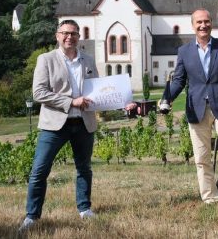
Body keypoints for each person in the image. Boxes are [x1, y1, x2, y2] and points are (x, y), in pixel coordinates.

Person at [19, 20, 135, 231]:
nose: (69, 37)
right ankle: (31, 216)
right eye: (65, 33)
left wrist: (122, 104)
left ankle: (84, 209)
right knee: (39, 171)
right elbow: (39, 93)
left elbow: (100, 95)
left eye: (73, 33)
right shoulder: (46, 60)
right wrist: (71, 102)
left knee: (84, 168)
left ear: (78, 36)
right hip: (54, 124)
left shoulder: (88, 61)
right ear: (57, 36)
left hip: (83, 123)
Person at [163, 9, 218, 208]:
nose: (203, 25)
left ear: (212, 23)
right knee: (202, 158)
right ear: (193, 26)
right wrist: (166, 98)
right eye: (199, 22)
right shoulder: (184, 52)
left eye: (207, 21)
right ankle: (210, 198)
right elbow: (178, 81)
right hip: (197, 110)